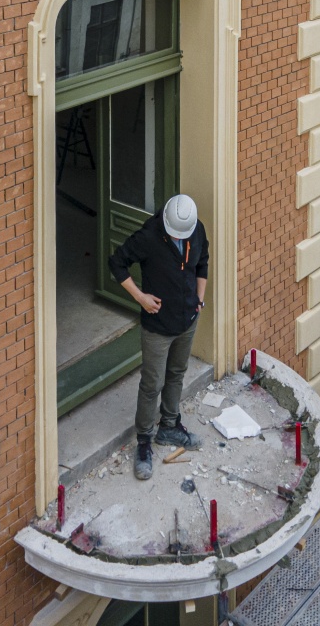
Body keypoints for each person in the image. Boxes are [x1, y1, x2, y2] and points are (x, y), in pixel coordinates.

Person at [109, 194, 209, 480]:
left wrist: (199, 299)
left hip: (187, 320)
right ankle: (144, 442)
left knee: (177, 373)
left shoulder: (196, 229)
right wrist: (140, 298)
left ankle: (169, 427)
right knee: (152, 384)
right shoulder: (149, 237)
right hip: (157, 327)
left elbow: (202, 261)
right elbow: (117, 263)